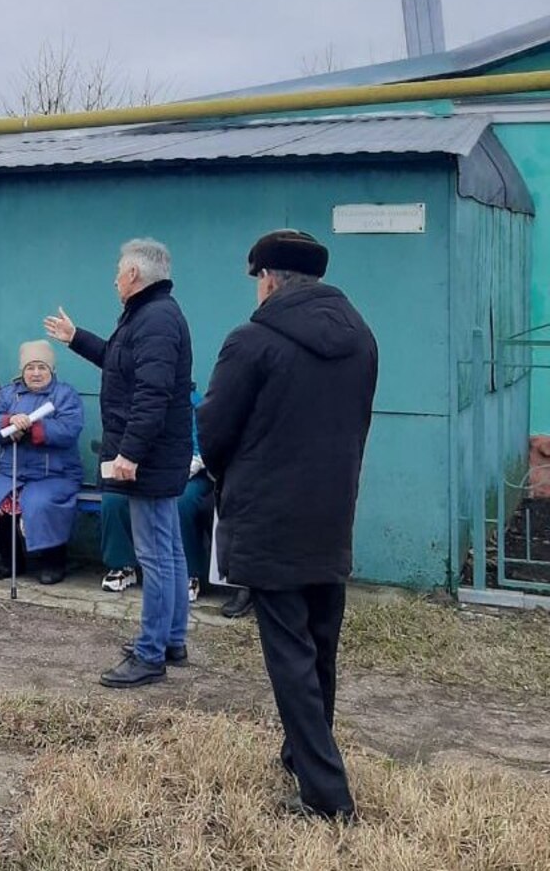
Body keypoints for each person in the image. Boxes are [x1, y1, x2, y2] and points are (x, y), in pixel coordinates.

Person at [198, 229, 377, 822]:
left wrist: (233, 479)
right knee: (320, 645)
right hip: (331, 514)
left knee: (291, 657)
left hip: (270, 520)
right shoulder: (361, 338)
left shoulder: (250, 341)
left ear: (268, 279)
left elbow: (214, 433)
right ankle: (304, 753)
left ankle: (327, 798)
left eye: (256, 280)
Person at [45, 238, 193, 689]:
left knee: (155, 554)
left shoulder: (156, 320)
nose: (113, 278)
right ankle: (171, 639)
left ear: (133, 276)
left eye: (117, 271)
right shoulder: (150, 315)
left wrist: (129, 452)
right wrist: (77, 339)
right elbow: (118, 360)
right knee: (167, 549)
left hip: (148, 458)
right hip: (157, 455)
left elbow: (153, 393)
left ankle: (151, 653)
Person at [0, 340, 84, 586]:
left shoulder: (65, 395)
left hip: (55, 474)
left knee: (40, 501)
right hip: (12, 470)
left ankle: (53, 561)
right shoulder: (8, 393)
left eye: (41, 367)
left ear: (51, 370)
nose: (35, 373)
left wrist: (34, 428)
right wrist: (9, 423)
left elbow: (69, 429)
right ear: (22, 370)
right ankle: (10, 559)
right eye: (30, 368)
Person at [99, 389, 213, 604]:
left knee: (181, 503)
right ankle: (122, 564)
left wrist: (178, 472)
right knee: (114, 498)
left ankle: (189, 573)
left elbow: (203, 445)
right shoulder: (135, 398)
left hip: (187, 473)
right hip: (143, 470)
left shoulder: (193, 403)